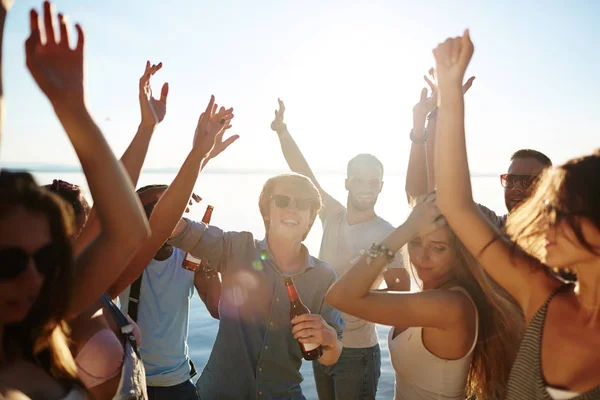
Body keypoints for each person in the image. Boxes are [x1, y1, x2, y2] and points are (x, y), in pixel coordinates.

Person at [433, 30, 600, 399]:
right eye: (550, 208)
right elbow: (455, 204)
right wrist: (449, 94)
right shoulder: (541, 295)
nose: (546, 221)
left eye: (565, 211)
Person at [1, 1, 150, 397]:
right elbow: (113, 223)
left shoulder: (42, 317)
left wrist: (73, 108)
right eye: (10, 261)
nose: (32, 276)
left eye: (46, 258)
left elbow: (131, 230)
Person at [270, 99, 407, 400]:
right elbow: (304, 173)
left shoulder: (389, 234)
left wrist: (358, 301)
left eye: (373, 181)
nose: (365, 186)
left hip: (358, 354)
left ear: (381, 186)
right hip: (323, 343)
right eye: (358, 179)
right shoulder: (332, 215)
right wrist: (282, 132)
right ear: (347, 182)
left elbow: (402, 294)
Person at [167, 172, 344, 399]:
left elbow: (330, 356)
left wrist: (328, 337)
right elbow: (173, 227)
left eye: (302, 204)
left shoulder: (323, 276)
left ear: (311, 218)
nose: (291, 209)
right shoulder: (236, 247)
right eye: (281, 201)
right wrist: (199, 157)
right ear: (267, 212)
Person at [117, 185, 223, 400]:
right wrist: (166, 191)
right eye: (155, 212)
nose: (165, 221)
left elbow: (217, 309)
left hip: (177, 382)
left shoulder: (189, 256)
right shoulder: (124, 256)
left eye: (171, 212)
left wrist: (211, 268)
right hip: (130, 380)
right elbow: (117, 212)